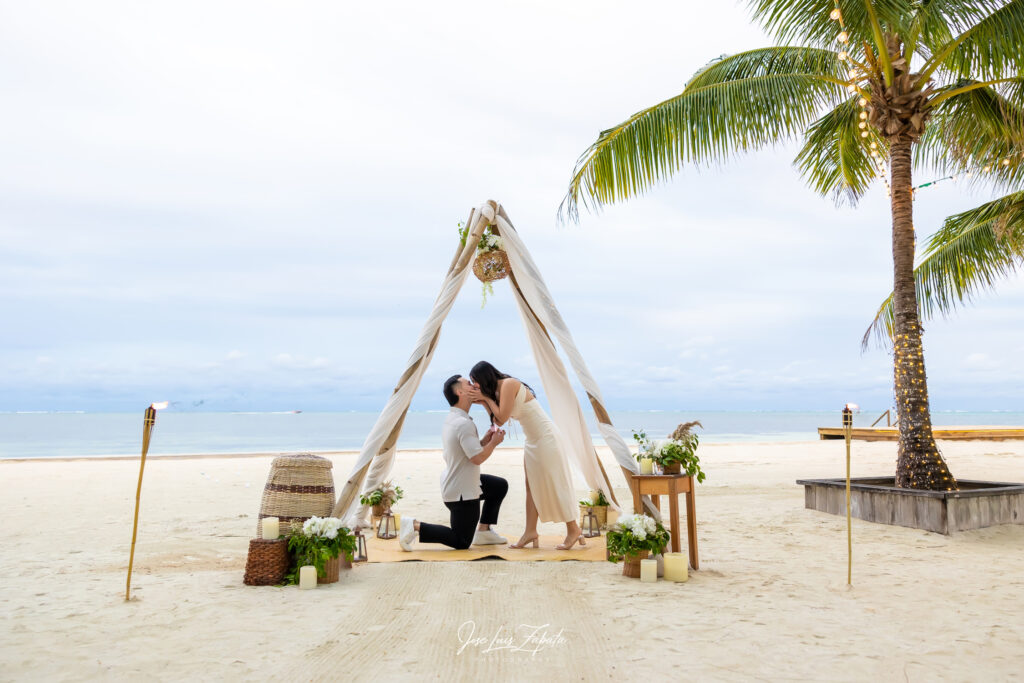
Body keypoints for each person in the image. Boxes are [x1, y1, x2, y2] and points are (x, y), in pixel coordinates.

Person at [468, 360, 584, 550]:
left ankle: (573, 529)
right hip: (532, 440)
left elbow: (503, 417)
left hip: (546, 437)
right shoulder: (496, 392)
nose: (475, 386)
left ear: (484, 376)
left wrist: (486, 400)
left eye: (475, 381)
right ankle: (530, 531)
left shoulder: (508, 384)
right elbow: (497, 420)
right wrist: (484, 401)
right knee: (531, 486)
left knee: (556, 481)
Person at [399, 374, 508, 551]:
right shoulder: (463, 423)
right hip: (462, 495)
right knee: (461, 541)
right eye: (469, 384)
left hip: (460, 483)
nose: (474, 386)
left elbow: (466, 451)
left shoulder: (455, 419)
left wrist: (484, 441)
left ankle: (484, 530)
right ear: (460, 392)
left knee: (498, 486)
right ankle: (414, 525)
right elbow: (477, 458)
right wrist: (494, 443)